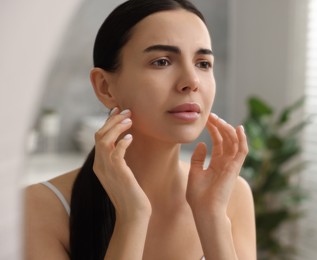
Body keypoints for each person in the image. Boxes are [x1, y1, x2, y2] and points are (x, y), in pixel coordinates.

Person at [24, 0, 256, 259]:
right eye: (162, 62)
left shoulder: (232, 195)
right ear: (105, 87)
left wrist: (212, 217)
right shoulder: (39, 207)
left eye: (203, 63)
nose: (191, 81)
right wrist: (132, 217)